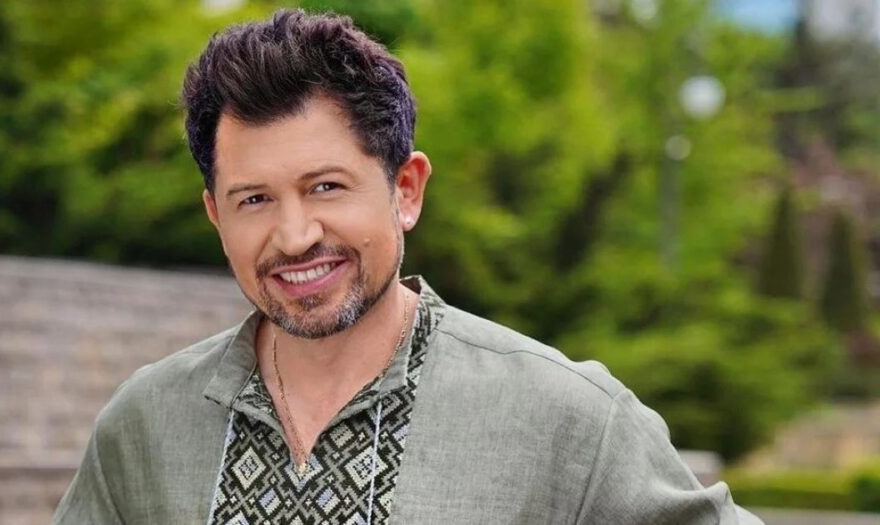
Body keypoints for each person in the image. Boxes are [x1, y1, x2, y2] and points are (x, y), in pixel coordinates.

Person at [53, 8, 763, 525]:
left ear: (406, 190)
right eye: (255, 199)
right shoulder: (145, 425)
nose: (294, 236)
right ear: (216, 214)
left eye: (326, 186)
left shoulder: (567, 419)